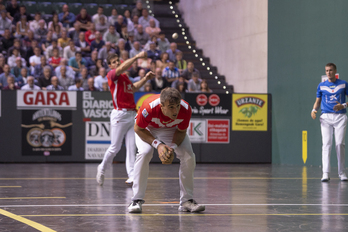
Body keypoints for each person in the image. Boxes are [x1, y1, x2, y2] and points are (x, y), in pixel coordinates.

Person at [128, 87, 205, 213]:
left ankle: (186, 201)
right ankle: (136, 200)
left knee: (189, 156)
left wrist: (172, 148)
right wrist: (158, 145)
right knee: (144, 152)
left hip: (170, 129)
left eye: (177, 106)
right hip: (147, 129)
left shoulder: (186, 109)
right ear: (162, 105)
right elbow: (138, 129)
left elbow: (181, 132)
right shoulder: (149, 107)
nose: (176, 111)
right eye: (171, 107)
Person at [96, 51, 154, 187]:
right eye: (114, 62)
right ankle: (102, 168)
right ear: (110, 66)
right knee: (115, 148)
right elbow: (121, 68)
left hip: (130, 115)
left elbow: (133, 88)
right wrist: (137, 56)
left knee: (131, 147)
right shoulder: (112, 75)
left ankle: (132, 176)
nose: (117, 63)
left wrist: (145, 78)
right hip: (119, 115)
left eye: (118, 60)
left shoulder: (124, 78)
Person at [311, 63, 348, 182]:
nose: (328, 72)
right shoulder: (321, 86)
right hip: (325, 117)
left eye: (331, 70)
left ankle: (342, 172)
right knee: (326, 144)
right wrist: (314, 110)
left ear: (335, 71)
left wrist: (343, 105)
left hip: (340, 117)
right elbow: (318, 101)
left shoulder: (343, 84)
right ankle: (325, 173)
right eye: (327, 70)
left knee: (339, 144)